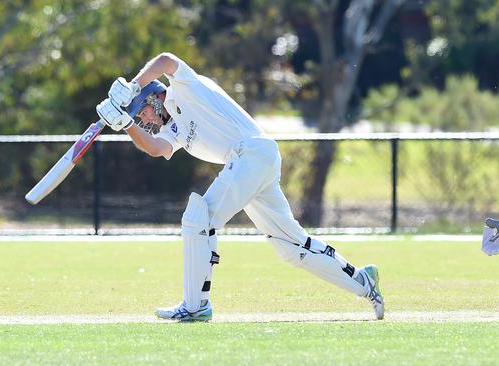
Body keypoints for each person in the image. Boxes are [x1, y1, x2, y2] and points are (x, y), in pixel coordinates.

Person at [95, 52, 384, 321]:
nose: (143, 119)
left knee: (199, 218)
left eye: (141, 111)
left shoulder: (185, 87)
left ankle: (196, 306)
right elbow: (157, 149)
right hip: (253, 161)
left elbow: (167, 60)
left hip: (251, 153)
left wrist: (133, 85)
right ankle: (363, 280)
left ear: (154, 96)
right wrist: (125, 126)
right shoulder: (173, 129)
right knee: (292, 247)